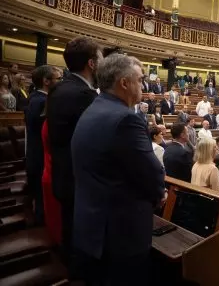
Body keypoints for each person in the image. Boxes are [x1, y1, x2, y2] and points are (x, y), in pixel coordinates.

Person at [71, 53, 166, 284]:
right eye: (140, 79)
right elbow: (153, 173)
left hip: (91, 226)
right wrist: (159, 195)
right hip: (120, 235)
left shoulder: (93, 109)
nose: (143, 85)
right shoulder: (126, 119)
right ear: (125, 83)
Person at [47, 37, 101, 271]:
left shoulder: (59, 88)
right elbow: (96, 144)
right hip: (81, 184)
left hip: (63, 176)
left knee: (70, 236)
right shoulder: (84, 96)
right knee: (83, 250)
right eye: (100, 58)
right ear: (92, 63)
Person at [25, 65, 62, 225]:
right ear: (46, 81)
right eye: (59, 79)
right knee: (42, 206)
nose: (62, 82)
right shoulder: (41, 102)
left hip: (35, 156)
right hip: (40, 158)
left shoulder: (35, 98)